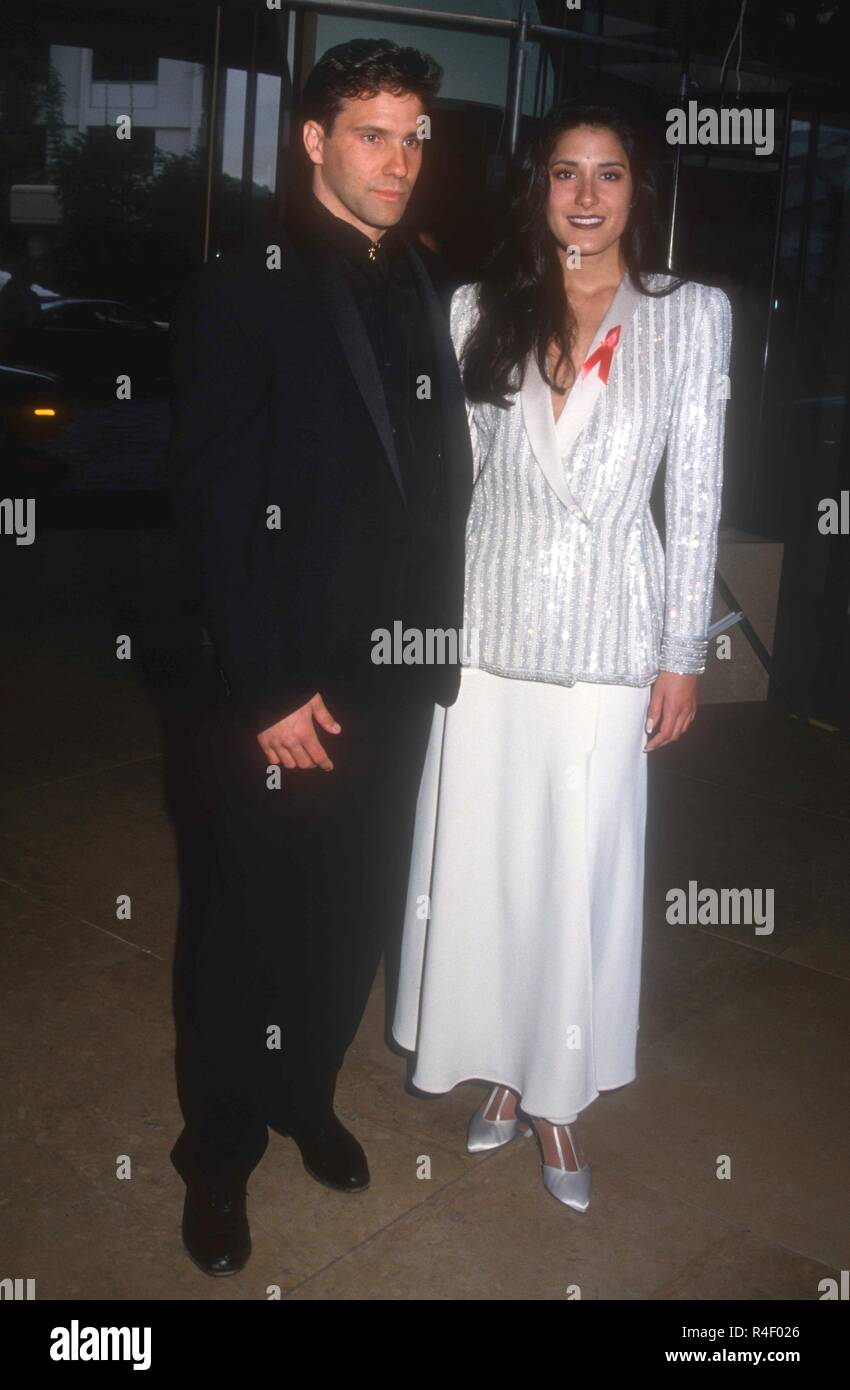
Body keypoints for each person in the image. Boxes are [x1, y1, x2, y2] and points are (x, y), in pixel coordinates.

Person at [166, 38, 473, 1275]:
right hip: (293, 683)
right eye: (370, 134)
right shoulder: (246, 287)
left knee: (349, 918)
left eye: (413, 138)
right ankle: (217, 1154)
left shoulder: (429, 275)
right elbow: (213, 503)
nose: (397, 160)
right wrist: (267, 684)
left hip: (402, 673)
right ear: (312, 140)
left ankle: (304, 1096)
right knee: (247, 927)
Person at [392, 100, 733, 1212]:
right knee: (482, 868)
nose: (585, 195)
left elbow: (695, 496)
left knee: (577, 875)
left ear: (642, 189)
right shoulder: (477, 306)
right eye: (563, 174)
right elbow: (460, 485)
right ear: (534, 188)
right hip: (486, 634)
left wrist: (682, 650)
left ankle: (557, 1095)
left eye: (609, 174)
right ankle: (498, 1069)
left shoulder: (691, 318)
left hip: (606, 643)